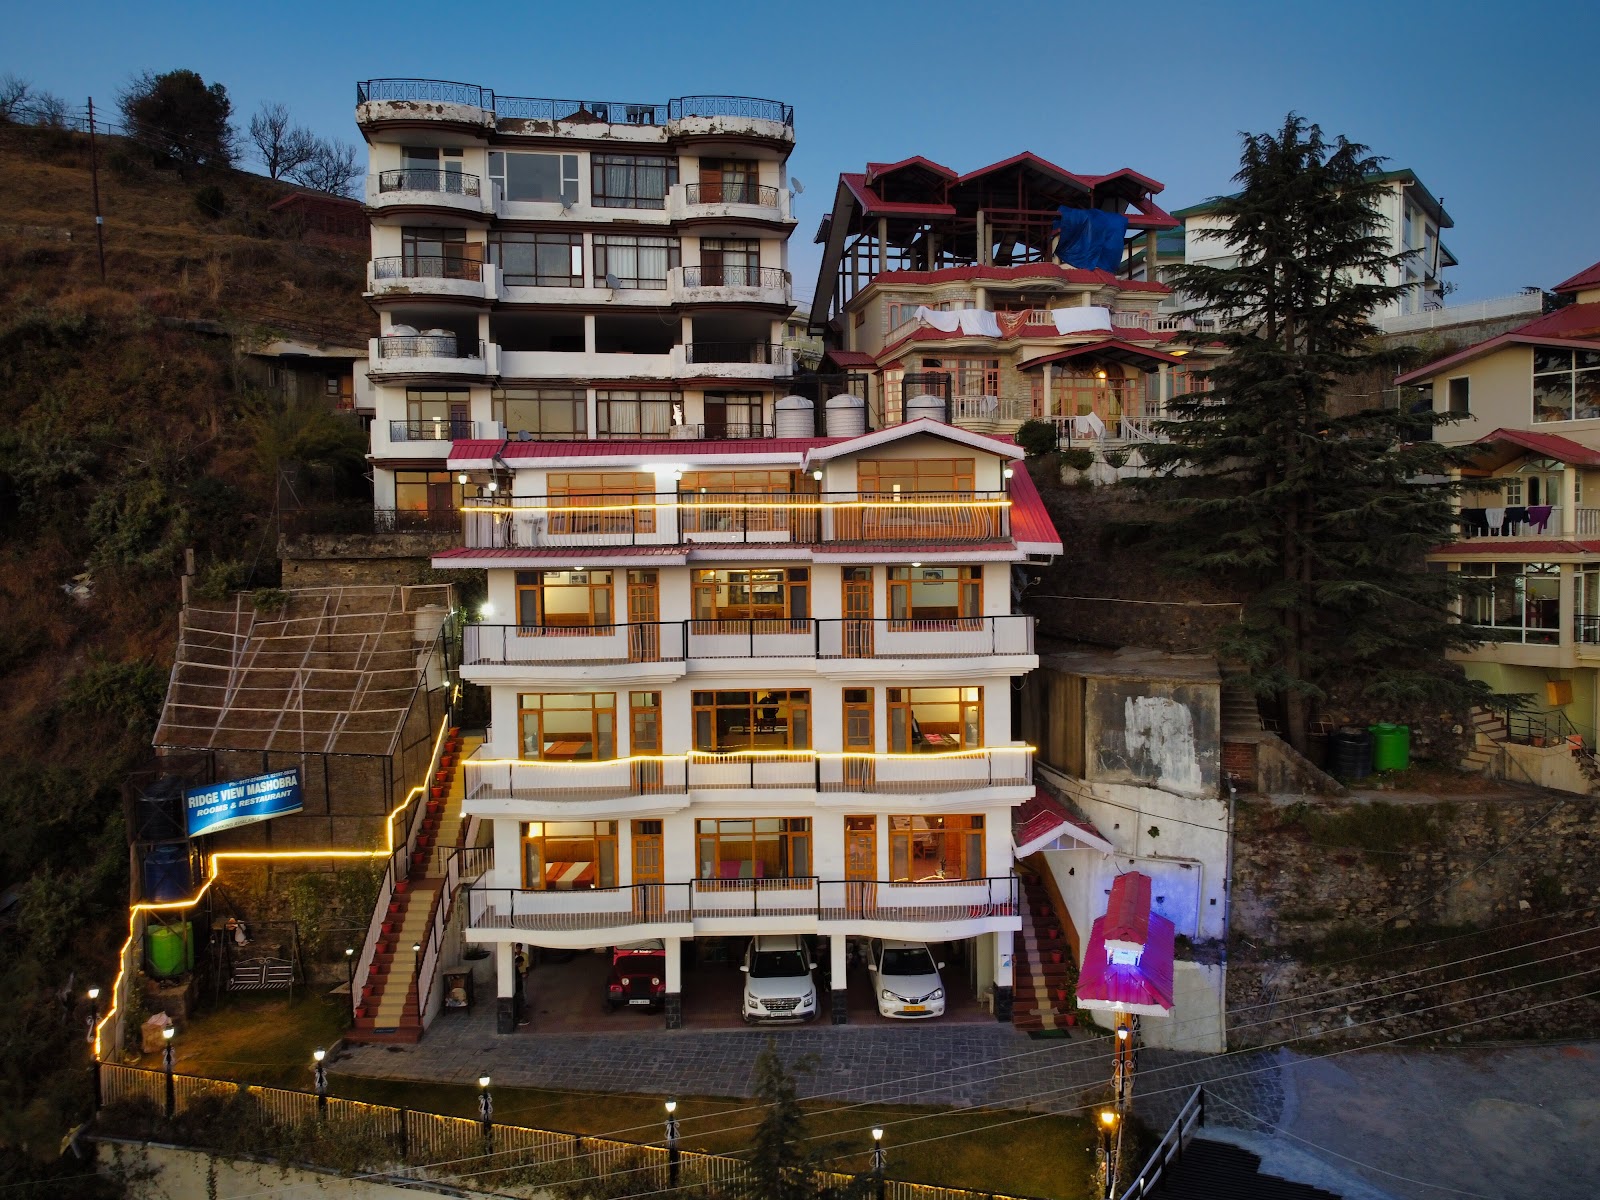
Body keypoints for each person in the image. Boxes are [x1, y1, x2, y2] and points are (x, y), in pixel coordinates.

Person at [513, 945, 530, 1027]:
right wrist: (522, 976)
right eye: (521, 963)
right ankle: (520, 1019)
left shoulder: (515, 969)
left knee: (520, 1003)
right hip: (517, 989)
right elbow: (516, 979)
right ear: (518, 962)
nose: (522, 965)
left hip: (518, 989)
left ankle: (520, 1018)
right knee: (519, 1005)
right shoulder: (514, 969)